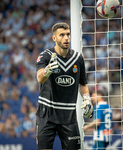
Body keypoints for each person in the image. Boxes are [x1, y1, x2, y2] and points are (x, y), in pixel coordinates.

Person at [36, 22, 93, 150]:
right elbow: (40, 78)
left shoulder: (78, 58)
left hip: (68, 116)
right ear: (54, 38)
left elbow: (82, 83)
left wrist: (87, 98)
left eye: (68, 34)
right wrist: (48, 70)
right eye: (62, 35)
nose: (66, 38)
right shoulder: (45, 56)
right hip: (47, 114)